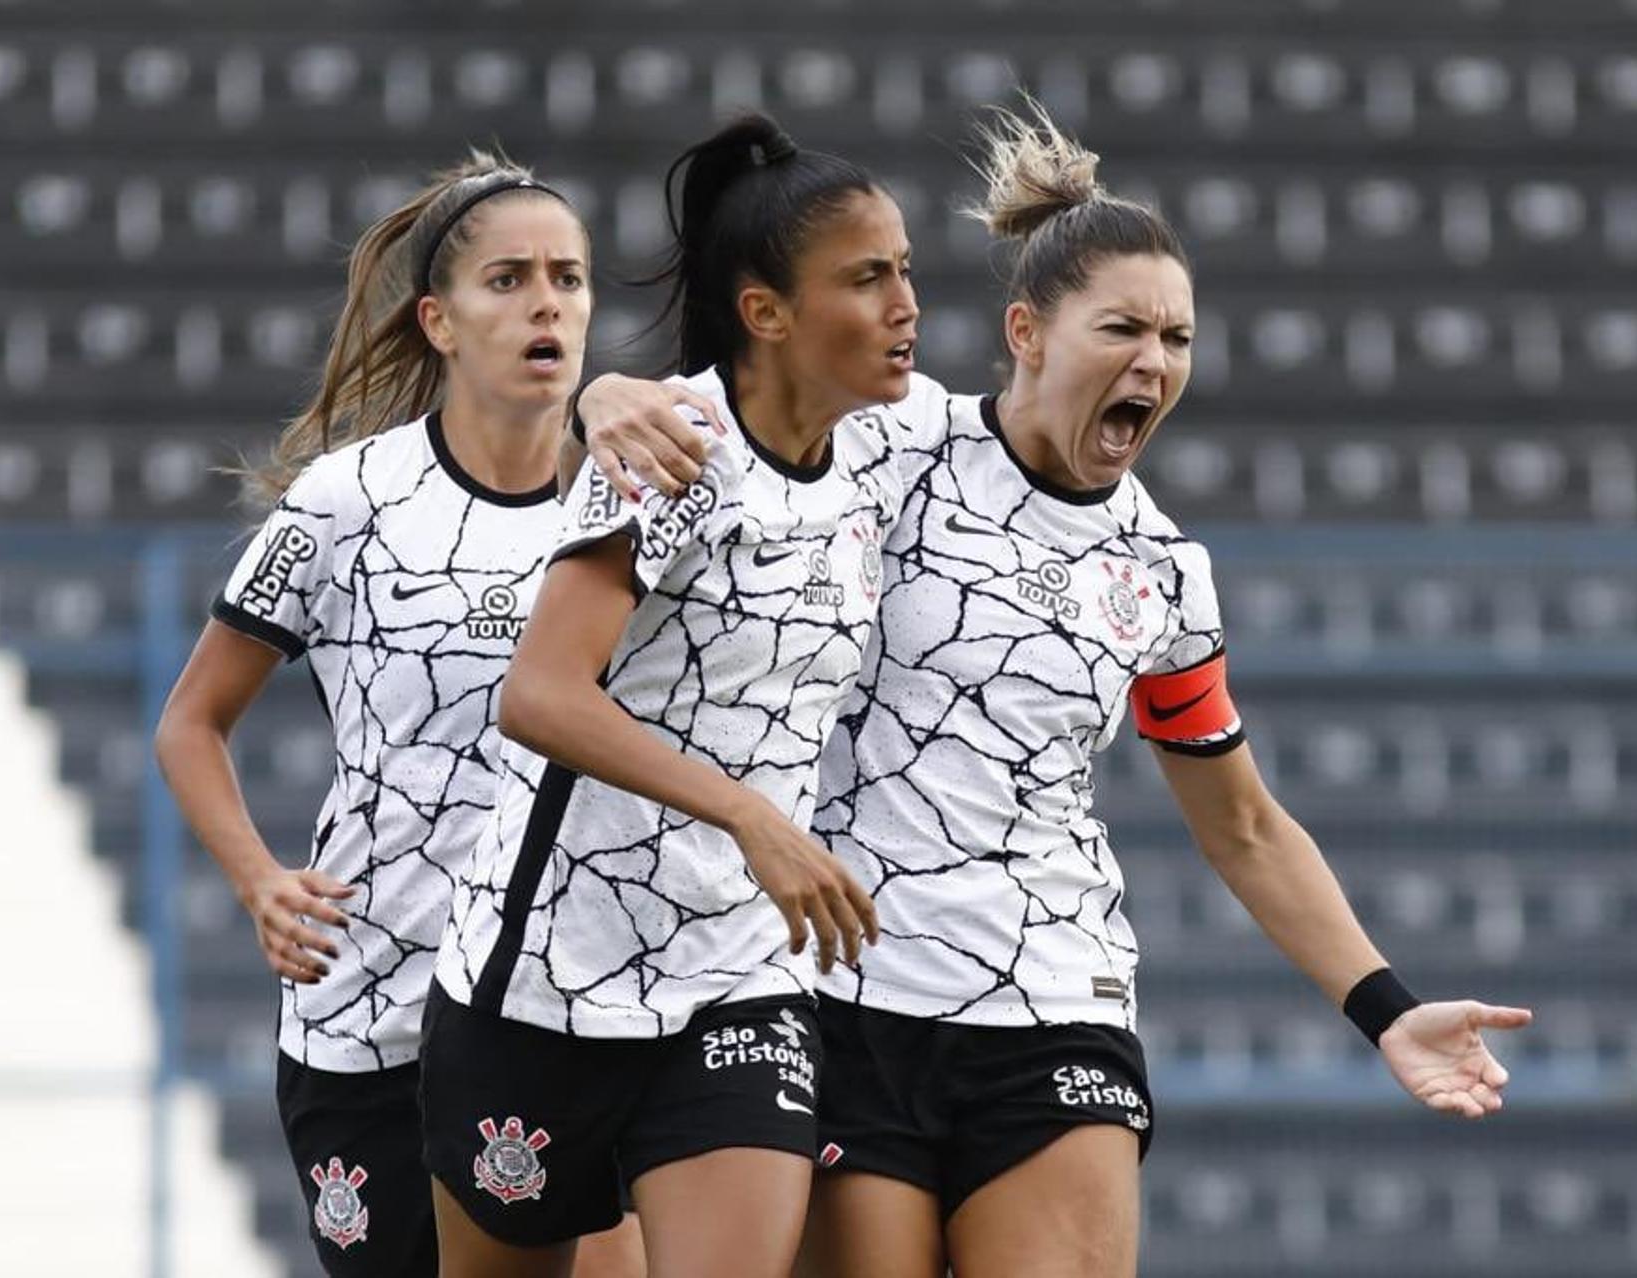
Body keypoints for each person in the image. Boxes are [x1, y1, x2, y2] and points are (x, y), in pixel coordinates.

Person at [573, 104, 1533, 1278]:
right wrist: (601, 397)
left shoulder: (1164, 574)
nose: (1155, 362)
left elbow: (1240, 823)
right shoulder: (892, 438)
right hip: (840, 990)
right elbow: (720, 416)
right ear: (1026, 331)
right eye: (1123, 328)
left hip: (1054, 998)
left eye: (1178, 339)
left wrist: (1386, 1008)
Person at [417, 114, 917, 1278]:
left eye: (906, 272)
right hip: (540, 983)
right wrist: (747, 814)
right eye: (868, 277)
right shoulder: (677, 450)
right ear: (766, 312)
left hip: (740, 985)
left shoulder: (886, 447)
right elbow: (539, 696)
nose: (904, 303)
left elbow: (1029, 420)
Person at [153, 153, 643, 1278]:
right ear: (439, 320)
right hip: (372, 1012)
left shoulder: (631, 507)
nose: (547, 304)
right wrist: (260, 881)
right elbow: (191, 723)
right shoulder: (346, 502)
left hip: (564, 1008)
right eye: (509, 279)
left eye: (568, 279)